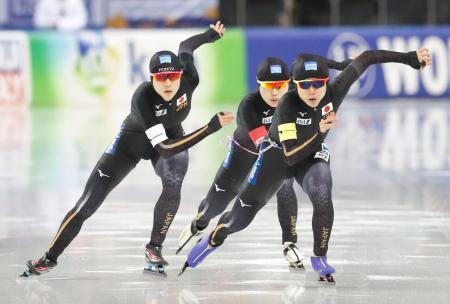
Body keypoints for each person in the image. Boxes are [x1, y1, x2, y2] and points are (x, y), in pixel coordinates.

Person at [181, 48, 431, 282]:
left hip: (311, 156)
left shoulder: (336, 90)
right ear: (295, 85)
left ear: (326, 82)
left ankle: (320, 257)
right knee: (239, 221)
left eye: (318, 84)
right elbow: (290, 155)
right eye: (305, 85)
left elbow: (367, 57)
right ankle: (215, 237)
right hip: (278, 158)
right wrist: (318, 129)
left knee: (322, 194)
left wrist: (410, 58)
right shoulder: (287, 104)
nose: (312, 91)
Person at [22, 21, 234, 278]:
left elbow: (185, 46)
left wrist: (211, 35)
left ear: (181, 74)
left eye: (173, 76)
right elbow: (165, 149)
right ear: (151, 78)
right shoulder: (142, 97)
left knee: (173, 181)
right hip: (131, 142)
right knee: (87, 205)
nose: (168, 83)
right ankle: (49, 258)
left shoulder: (190, 78)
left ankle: (154, 247)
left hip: (171, 134)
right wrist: (210, 127)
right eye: (161, 77)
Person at [177, 55, 352, 269]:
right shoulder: (249, 106)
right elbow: (263, 145)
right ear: (259, 85)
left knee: (284, 185)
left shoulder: (293, 100)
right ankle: (200, 223)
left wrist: (340, 65)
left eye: (281, 85)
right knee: (215, 206)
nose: (276, 92)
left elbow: (308, 62)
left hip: (272, 155)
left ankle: (289, 242)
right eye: (270, 86)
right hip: (242, 159)